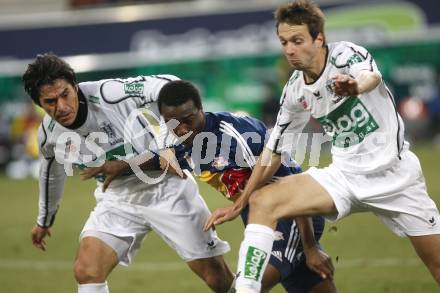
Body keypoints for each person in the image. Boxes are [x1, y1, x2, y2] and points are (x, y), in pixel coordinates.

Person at [202, 1, 440, 292]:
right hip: (345, 176)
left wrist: (355, 86)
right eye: (284, 42)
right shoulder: (295, 90)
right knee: (263, 201)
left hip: (397, 178)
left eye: (297, 41)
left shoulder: (346, 55)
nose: (290, 49)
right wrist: (240, 202)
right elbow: (274, 150)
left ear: (319, 39)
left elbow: (370, 76)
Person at [23, 53, 233, 293]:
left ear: (75, 86)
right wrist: (44, 221)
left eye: (65, 94)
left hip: (166, 188)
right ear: (39, 104)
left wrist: (172, 137)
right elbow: (51, 175)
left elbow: (168, 83)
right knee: (87, 270)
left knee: (217, 278)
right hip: (117, 199)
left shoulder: (108, 94)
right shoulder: (49, 136)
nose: (61, 106)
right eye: (50, 102)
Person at [156, 80, 337, 292]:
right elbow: (154, 161)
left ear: (201, 110)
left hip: (293, 213)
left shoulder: (237, 136)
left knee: (246, 288)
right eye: (174, 123)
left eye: (189, 119)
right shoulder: (179, 142)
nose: (183, 128)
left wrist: (310, 247)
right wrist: (116, 166)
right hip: (260, 219)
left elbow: (293, 187)